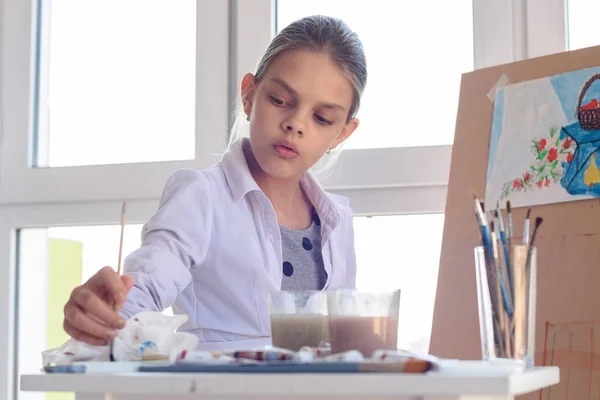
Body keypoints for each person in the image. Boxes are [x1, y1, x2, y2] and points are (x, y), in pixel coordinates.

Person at [62, 15, 367, 350]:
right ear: (249, 95)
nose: (295, 123)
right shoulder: (201, 195)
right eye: (280, 100)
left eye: (322, 118)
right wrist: (104, 312)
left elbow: (344, 343)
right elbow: (145, 287)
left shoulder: (338, 220)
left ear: (342, 133)